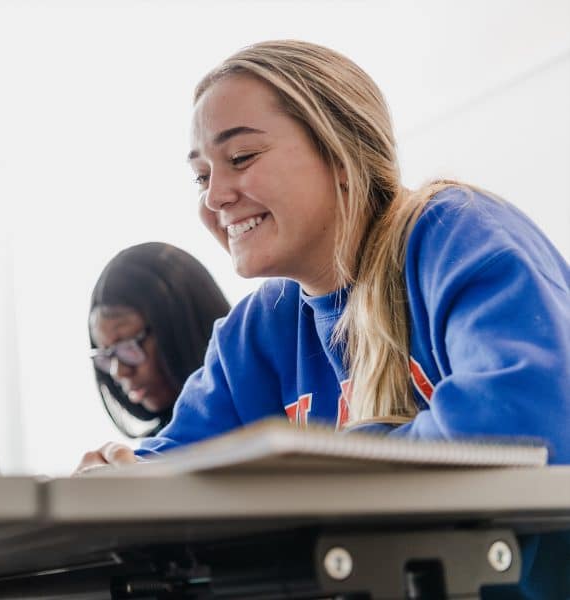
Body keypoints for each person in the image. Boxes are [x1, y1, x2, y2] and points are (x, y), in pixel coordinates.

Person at [76, 40, 570, 596]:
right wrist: (116, 472)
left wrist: (308, 477)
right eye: (200, 176)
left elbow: (521, 420)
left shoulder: (455, 233)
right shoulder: (256, 331)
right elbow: (171, 468)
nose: (214, 196)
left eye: (240, 158)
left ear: (341, 153)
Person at [89, 242, 230, 438]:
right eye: (106, 356)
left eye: (128, 347)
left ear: (184, 325)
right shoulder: (158, 450)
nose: (119, 371)